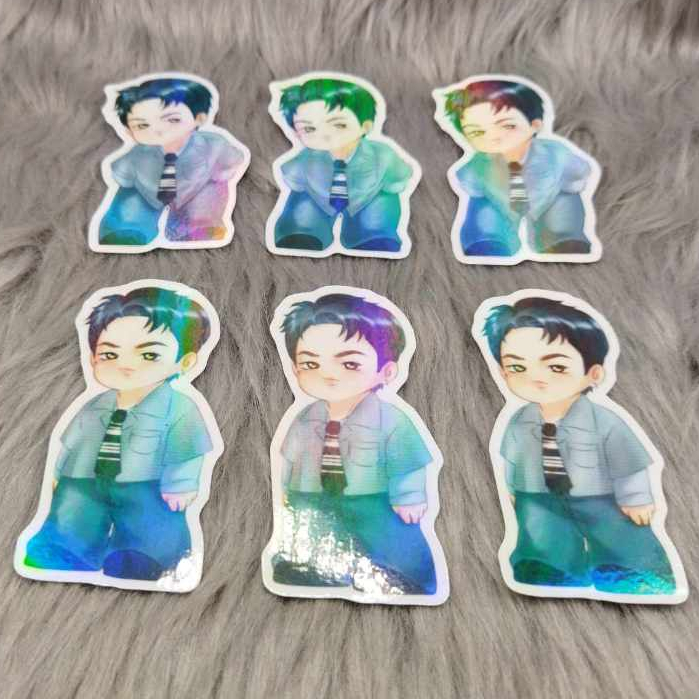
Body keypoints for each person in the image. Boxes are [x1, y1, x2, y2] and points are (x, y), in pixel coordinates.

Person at [482, 296, 676, 594]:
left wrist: (636, 497)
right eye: (518, 368)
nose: (536, 378)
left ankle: (633, 574)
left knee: (619, 536)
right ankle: (550, 571)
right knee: (541, 537)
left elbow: (628, 461)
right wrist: (511, 486)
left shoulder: (605, 421)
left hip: (598, 495)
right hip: (536, 494)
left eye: (556, 367)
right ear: (503, 373)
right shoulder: (519, 420)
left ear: (593, 373)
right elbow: (513, 456)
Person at [24, 287, 215, 581]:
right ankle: (67, 547)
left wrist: (181, 484)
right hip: (83, 477)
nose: (126, 366)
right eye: (110, 354)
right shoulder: (94, 405)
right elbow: (74, 442)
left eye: (149, 354)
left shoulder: (179, 407)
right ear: (93, 358)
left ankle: (150, 555)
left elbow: (187, 448)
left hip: (146, 482)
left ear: (185, 361)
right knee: (74, 513)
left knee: (150, 519)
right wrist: (59, 472)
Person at [270, 293, 439, 595]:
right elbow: (290, 458)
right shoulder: (305, 417)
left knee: (389, 545)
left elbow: (407, 461)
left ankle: (402, 575)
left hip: (372, 499)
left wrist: (409, 496)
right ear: (295, 370)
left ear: (386, 371)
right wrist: (284, 489)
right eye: (310, 363)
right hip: (310, 494)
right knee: (313, 539)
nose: (328, 374)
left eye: (349, 363)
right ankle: (311, 569)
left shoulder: (391, 419)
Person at [442, 79, 595, 257]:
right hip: (499, 197)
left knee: (562, 208)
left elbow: (576, 169)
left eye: (508, 126)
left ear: (535, 125)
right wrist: (474, 188)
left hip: (550, 194)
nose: (494, 137)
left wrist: (572, 183)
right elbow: (468, 178)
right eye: (477, 132)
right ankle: (488, 239)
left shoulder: (555, 153)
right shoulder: (480, 163)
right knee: (485, 211)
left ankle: (562, 237)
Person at [271, 77, 415, 253]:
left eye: (339, 125)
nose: (324, 135)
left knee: (379, 209)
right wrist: (297, 182)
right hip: (318, 194)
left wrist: (394, 183)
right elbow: (294, 173)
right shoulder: (308, 157)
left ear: (366, 126)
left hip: (369, 195)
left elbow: (397, 172)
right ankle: (304, 231)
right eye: (309, 129)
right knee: (304, 206)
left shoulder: (381, 154)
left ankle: (373, 234)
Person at [97, 77, 246, 246]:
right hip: (149, 190)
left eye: (173, 120)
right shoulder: (138, 153)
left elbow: (231, 161)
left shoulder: (213, 144)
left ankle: (198, 225)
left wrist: (223, 173)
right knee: (131, 201)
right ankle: (129, 227)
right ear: (129, 132)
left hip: (198, 186)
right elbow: (123, 172)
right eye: (142, 126)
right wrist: (125, 179)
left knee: (208, 197)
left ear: (199, 118)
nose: (158, 130)